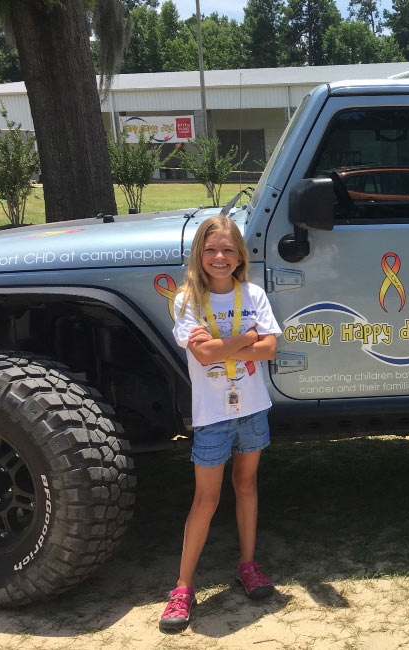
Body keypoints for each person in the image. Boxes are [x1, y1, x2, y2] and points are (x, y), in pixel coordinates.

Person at [160, 216, 282, 632]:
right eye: (211, 249)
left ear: (239, 256)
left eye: (228, 250)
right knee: (205, 500)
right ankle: (183, 587)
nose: (219, 257)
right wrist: (245, 338)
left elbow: (270, 348)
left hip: (251, 408)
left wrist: (229, 344)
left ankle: (248, 565)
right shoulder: (186, 301)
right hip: (213, 415)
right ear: (199, 254)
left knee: (246, 485)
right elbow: (207, 356)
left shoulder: (254, 294)